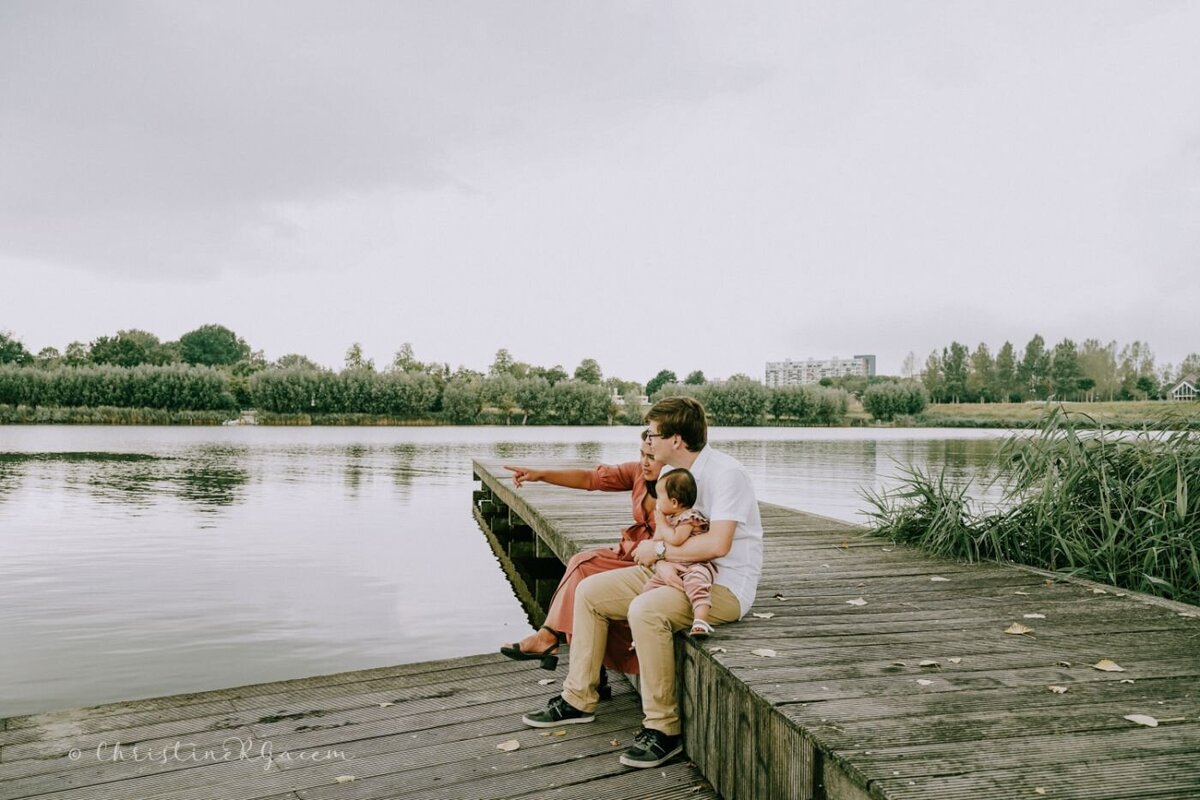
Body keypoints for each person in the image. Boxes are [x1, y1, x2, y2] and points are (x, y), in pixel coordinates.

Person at [521, 396, 764, 770]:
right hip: (676, 571)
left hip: (723, 586)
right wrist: (662, 555)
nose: (648, 442)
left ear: (676, 440)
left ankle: (664, 730)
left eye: (652, 434)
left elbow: (718, 544)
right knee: (589, 592)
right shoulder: (679, 477)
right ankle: (578, 698)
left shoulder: (725, 474)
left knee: (645, 609)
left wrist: (661, 550)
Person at [499, 432, 662, 679]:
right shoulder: (638, 473)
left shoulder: (680, 484)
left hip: (653, 565)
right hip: (629, 554)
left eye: (651, 456)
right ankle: (566, 652)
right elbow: (590, 478)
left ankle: (552, 642)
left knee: (583, 573)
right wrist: (540, 475)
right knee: (579, 564)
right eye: (641, 454)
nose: (645, 461)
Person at [641, 467, 717, 639]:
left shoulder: (689, 517)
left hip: (695, 564)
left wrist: (661, 524)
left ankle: (700, 621)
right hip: (674, 563)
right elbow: (657, 541)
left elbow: (676, 539)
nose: (657, 502)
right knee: (648, 588)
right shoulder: (669, 519)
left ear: (674, 502)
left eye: (660, 497)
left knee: (697, 583)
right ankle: (641, 630)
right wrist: (661, 526)